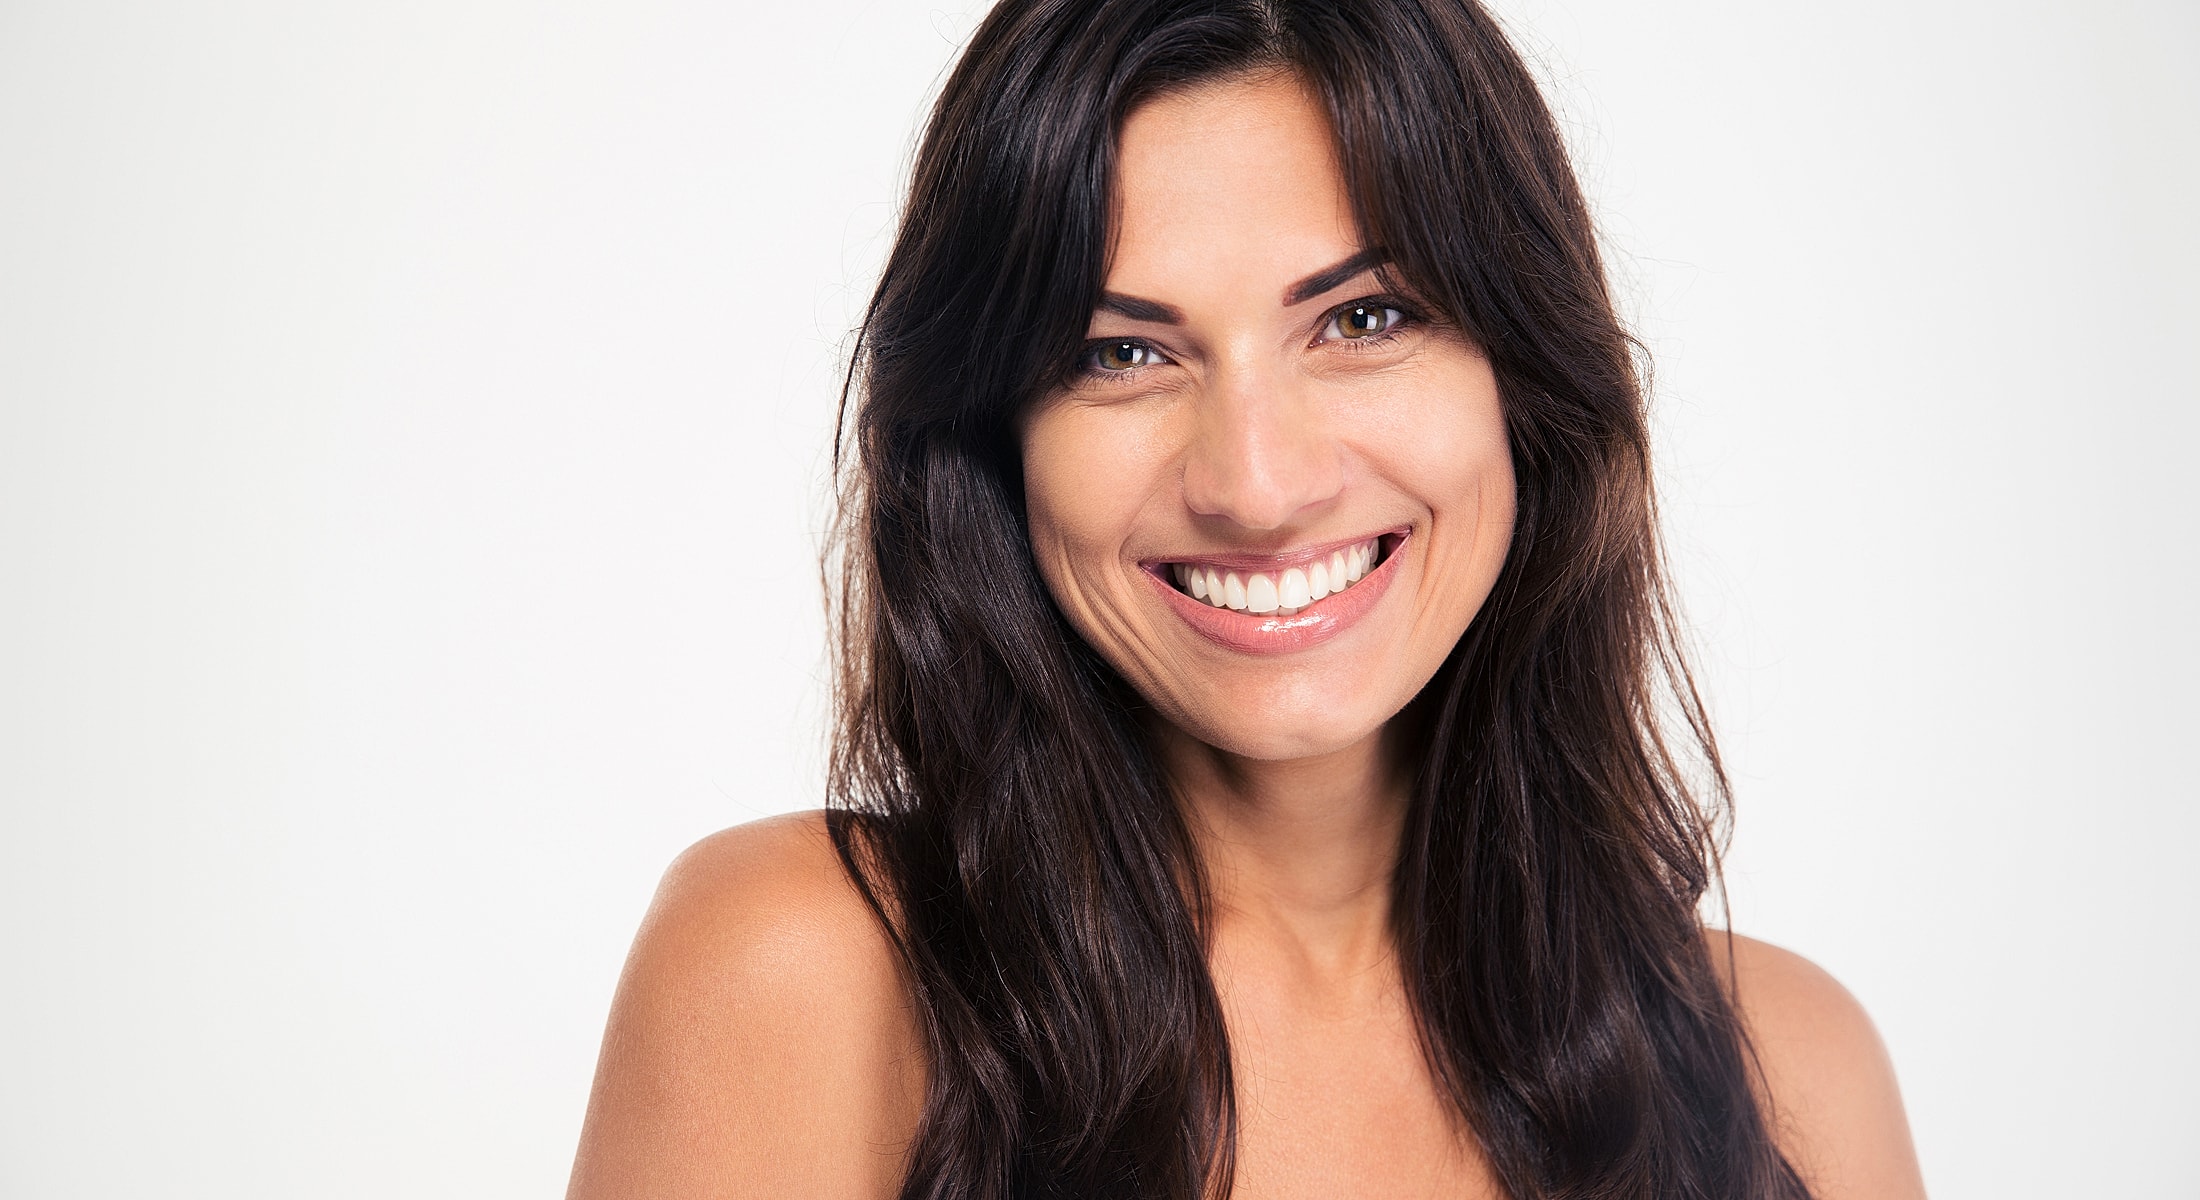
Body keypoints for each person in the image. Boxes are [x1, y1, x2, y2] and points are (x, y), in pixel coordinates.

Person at [566, 1, 1926, 1196]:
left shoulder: (1792, 1074)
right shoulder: (798, 975)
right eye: (1122, 352)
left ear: (1524, 380)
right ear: (998, 443)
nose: (1258, 485)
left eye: (1363, 319)